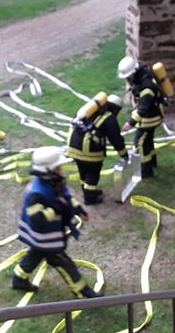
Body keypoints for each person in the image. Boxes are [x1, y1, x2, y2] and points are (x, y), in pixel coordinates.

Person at [12, 147, 104, 298]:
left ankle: (19, 279)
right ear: (47, 169)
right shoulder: (37, 193)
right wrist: (56, 209)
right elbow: (37, 219)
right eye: (57, 167)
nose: (60, 169)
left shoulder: (53, 182)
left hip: (41, 239)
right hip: (44, 237)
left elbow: (65, 197)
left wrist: (77, 208)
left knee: (35, 254)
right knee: (63, 262)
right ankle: (83, 293)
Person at [65, 94, 128, 204]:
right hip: (89, 151)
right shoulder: (109, 118)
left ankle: (88, 191)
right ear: (116, 110)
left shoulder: (89, 111)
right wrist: (124, 154)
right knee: (93, 172)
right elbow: (116, 139)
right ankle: (90, 198)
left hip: (72, 146)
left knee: (83, 170)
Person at [117, 56, 165, 179]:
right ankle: (153, 163)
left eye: (129, 77)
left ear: (134, 72)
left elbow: (144, 108)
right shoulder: (141, 76)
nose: (128, 80)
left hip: (150, 118)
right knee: (148, 141)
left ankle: (146, 172)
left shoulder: (147, 86)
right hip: (152, 115)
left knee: (140, 144)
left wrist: (130, 123)